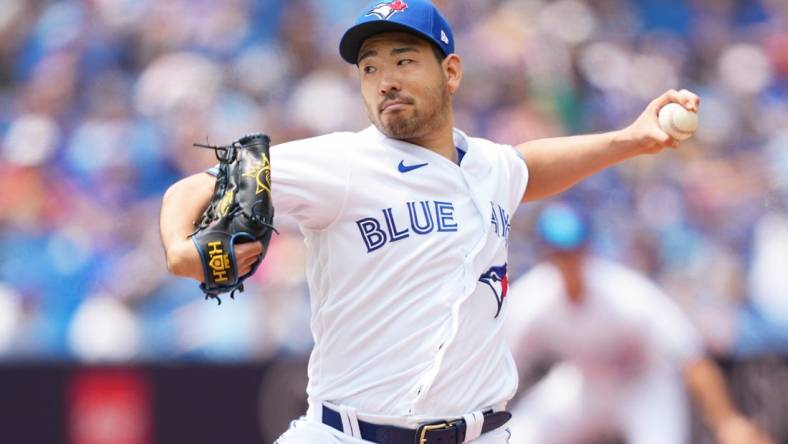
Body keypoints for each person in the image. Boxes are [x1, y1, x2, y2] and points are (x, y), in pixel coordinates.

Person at [159, 1, 701, 443]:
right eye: (370, 68)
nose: (385, 80)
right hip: (348, 435)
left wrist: (630, 140)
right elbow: (195, 187)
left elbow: (530, 168)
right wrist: (187, 250)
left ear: (451, 72)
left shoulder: (490, 166)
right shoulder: (341, 163)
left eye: (404, 60)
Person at [505, 203, 773, 444]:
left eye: (575, 250)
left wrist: (727, 421)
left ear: (588, 249)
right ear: (546, 254)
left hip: (644, 386)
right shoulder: (534, 297)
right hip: (585, 383)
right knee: (516, 436)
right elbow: (502, 362)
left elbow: (690, 357)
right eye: (560, 253)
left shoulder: (624, 292)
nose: (569, 260)